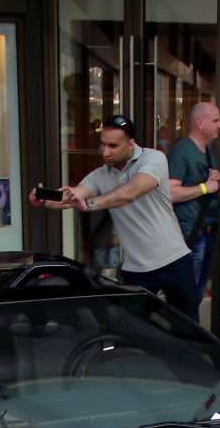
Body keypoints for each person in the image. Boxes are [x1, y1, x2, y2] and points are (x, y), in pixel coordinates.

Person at [28, 114, 198, 321]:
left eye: (113, 146)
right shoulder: (101, 174)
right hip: (137, 270)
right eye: (103, 144)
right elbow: (73, 196)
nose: (105, 152)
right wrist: (44, 200)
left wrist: (90, 204)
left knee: (190, 333)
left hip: (174, 261)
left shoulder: (153, 158)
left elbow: (131, 191)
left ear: (130, 144)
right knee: (132, 335)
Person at [168, 102, 220, 303]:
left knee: (197, 295)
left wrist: (218, 184)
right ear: (200, 122)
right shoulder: (181, 151)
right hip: (190, 232)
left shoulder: (209, 153)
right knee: (187, 297)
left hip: (208, 233)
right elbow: (171, 192)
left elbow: (212, 190)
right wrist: (204, 187)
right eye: (215, 120)